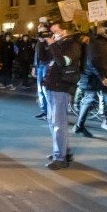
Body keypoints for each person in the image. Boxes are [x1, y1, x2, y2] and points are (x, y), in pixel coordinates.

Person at [42, 22, 82, 170]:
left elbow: (62, 62)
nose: (53, 34)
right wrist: (46, 43)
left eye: (56, 31)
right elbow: (45, 57)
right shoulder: (59, 43)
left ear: (65, 32)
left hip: (62, 87)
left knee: (59, 124)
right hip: (52, 87)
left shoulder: (73, 45)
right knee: (53, 122)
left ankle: (60, 158)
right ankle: (64, 151)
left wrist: (53, 45)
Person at [33, 19, 52, 119]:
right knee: (40, 90)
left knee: (45, 90)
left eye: (42, 29)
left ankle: (49, 112)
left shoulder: (48, 40)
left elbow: (50, 54)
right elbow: (36, 54)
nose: (40, 31)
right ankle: (44, 111)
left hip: (46, 66)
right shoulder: (38, 41)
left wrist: (45, 41)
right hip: (39, 66)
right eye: (39, 28)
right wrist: (34, 67)